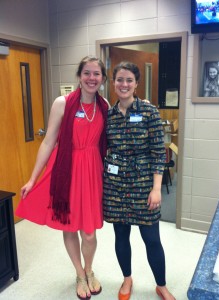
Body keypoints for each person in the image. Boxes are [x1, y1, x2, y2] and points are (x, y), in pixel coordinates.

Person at [16, 55, 109, 300]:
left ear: (102, 78)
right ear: (79, 76)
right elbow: (48, 142)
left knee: (89, 232)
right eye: (87, 73)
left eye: (96, 74)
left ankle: (90, 270)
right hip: (66, 170)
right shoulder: (62, 103)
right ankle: (79, 274)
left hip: (92, 171)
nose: (91, 78)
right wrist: (32, 179)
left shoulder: (105, 105)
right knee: (69, 225)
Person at [103, 61, 175, 300]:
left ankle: (161, 285)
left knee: (152, 239)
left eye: (129, 80)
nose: (124, 84)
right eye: (120, 80)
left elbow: (158, 151)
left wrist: (157, 189)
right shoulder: (109, 114)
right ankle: (127, 280)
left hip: (144, 184)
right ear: (113, 83)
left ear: (136, 84)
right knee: (121, 237)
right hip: (115, 186)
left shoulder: (149, 112)